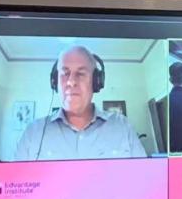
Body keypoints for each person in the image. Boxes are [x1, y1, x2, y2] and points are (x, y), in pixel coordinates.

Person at [14, 46, 146, 161]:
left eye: (81, 74)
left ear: (96, 82)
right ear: (54, 82)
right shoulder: (32, 133)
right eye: (65, 73)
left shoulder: (123, 127)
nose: (71, 82)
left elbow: (144, 179)